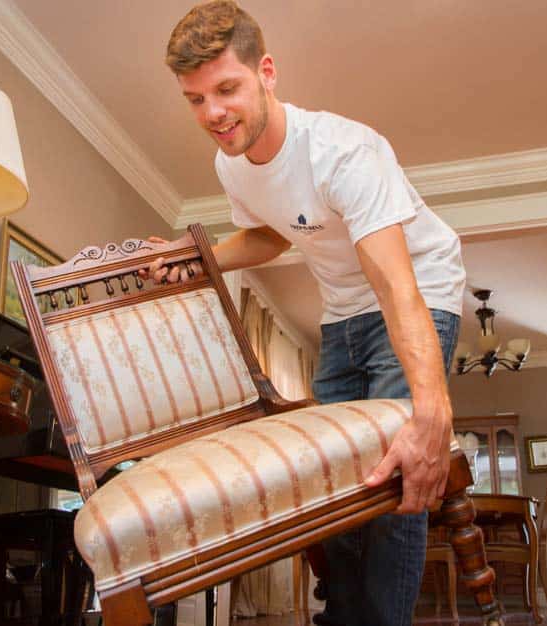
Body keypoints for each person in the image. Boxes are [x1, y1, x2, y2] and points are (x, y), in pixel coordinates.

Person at [153, 2, 466, 624]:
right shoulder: (230, 163)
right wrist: (202, 259)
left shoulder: (344, 152)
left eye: (227, 89)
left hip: (418, 292)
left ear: (265, 72)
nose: (212, 113)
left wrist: (431, 415)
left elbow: (396, 284)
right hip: (342, 313)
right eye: (195, 99)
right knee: (332, 478)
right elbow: (269, 236)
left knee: (394, 473)